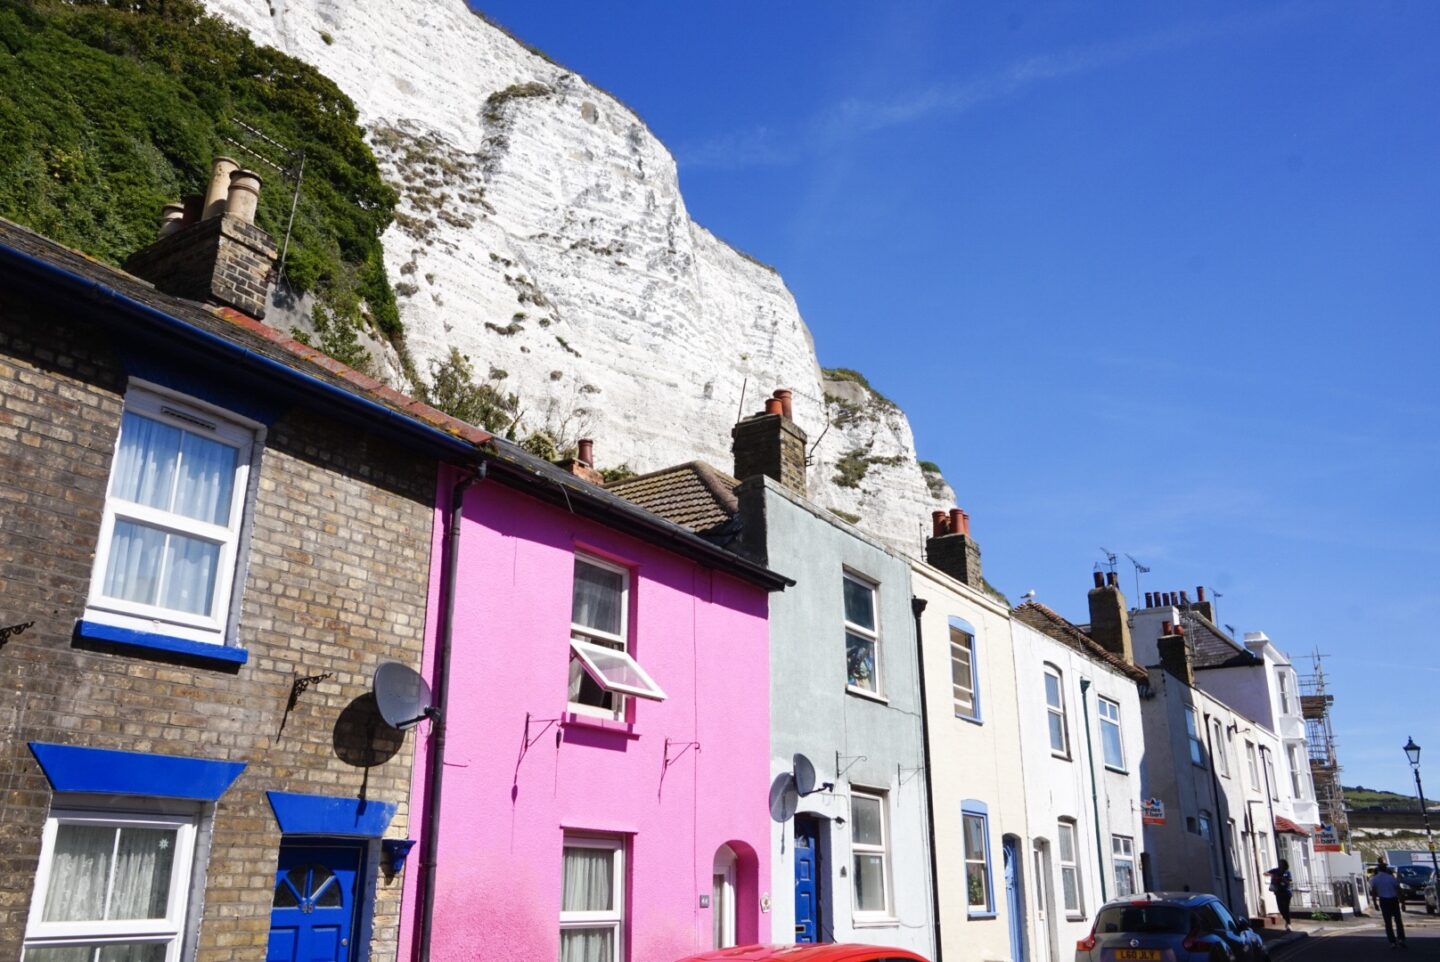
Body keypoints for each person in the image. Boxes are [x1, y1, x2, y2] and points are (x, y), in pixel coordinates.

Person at [1371, 861, 1408, 949]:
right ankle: (1401, 939)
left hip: (1383, 900)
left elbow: (1374, 892)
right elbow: (1399, 890)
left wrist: (1375, 903)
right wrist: (1403, 903)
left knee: (1388, 922)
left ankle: (1392, 942)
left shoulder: (1375, 879)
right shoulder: (1391, 878)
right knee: (1398, 921)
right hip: (1393, 900)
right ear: (1386, 869)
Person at [1266, 859, 1294, 931]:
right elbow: (1265, 873)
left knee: (1286, 908)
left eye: (1281, 863)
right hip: (1278, 892)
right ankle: (1287, 921)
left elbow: (1289, 882)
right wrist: (1273, 875)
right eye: (1279, 863)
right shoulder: (1276, 870)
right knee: (1280, 909)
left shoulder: (1287, 872)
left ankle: (1289, 924)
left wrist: (1283, 879)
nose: (1280, 864)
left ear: (1285, 864)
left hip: (1286, 892)